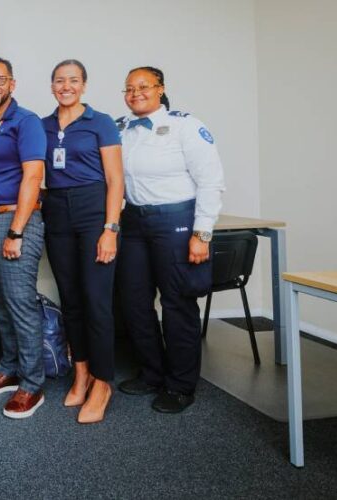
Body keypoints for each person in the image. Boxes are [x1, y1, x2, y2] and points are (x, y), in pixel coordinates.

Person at [116, 66, 225, 413]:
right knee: (134, 302)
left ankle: (180, 385)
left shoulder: (186, 126)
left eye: (143, 86)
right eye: (129, 88)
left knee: (177, 304)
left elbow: (211, 181)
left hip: (176, 220)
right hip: (134, 221)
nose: (135, 93)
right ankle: (152, 373)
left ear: (160, 89)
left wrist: (201, 233)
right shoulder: (121, 129)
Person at [40, 60, 124, 424]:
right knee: (71, 300)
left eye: (73, 80)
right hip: (57, 210)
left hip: (93, 211)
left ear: (84, 85)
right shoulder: (42, 126)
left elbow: (116, 180)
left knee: (96, 302)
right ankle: (82, 373)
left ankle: (103, 383)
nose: (66, 86)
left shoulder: (100, 122)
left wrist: (110, 229)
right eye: (60, 81)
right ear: (52, 86)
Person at [0, 57, 48, 419]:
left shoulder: (26, 121)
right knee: (1, 303)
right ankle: (10, 367)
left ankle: (32, 384)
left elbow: (33, 177)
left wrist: (16, 231)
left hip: (17, 221)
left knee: (20, 304)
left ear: (12, 84)